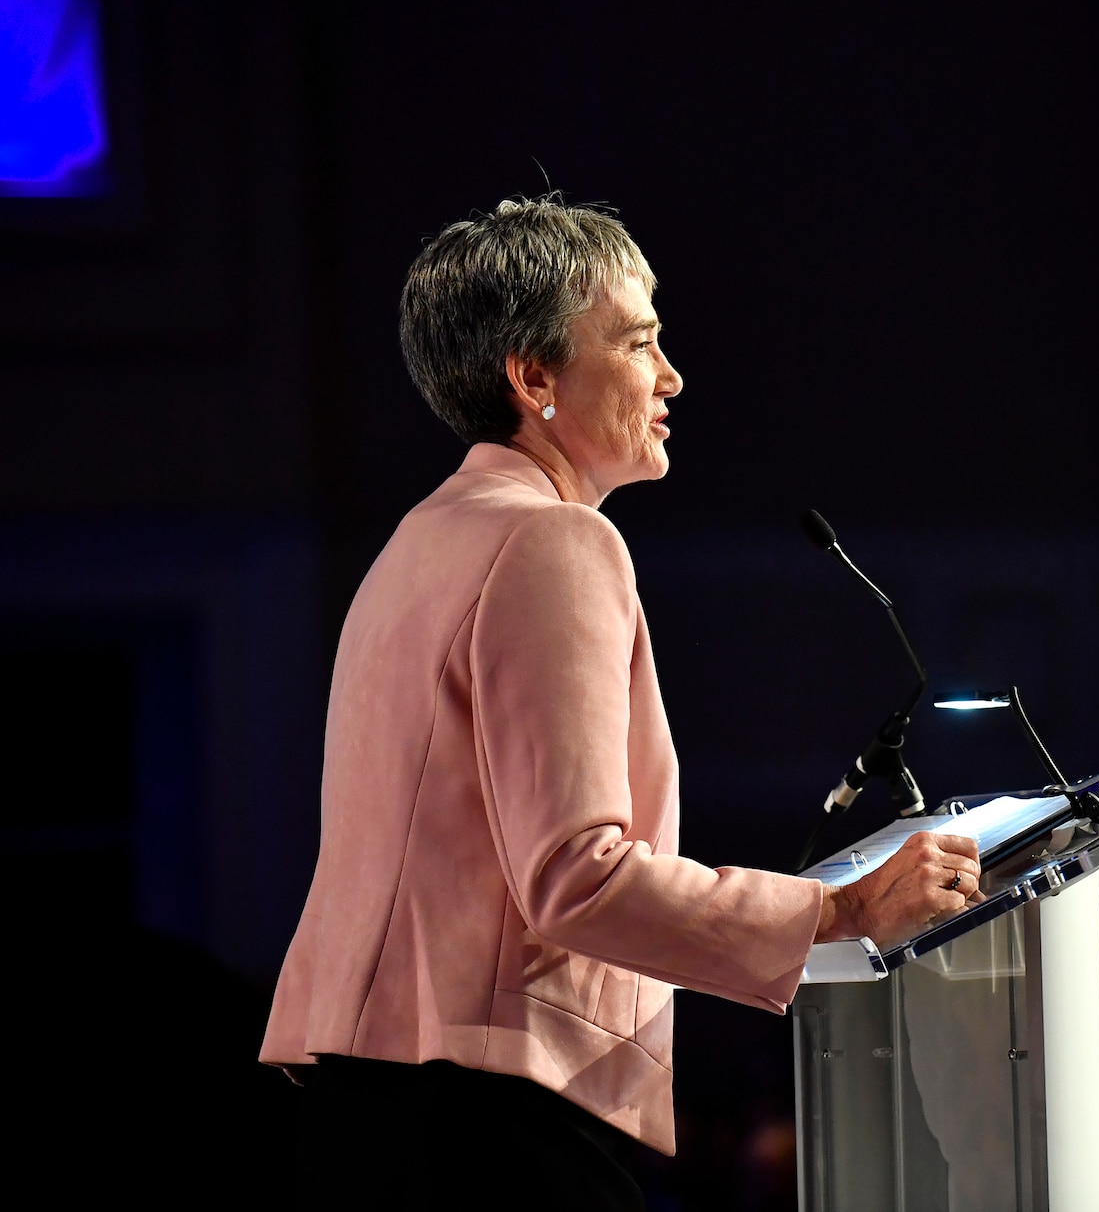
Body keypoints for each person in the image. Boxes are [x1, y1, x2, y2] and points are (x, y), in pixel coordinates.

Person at [261, 196, 980, 1209]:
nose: (671, 376)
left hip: (374, 1109)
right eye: (640, 342)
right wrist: (841, 909)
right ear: (533, 377)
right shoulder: (551, 542)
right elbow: (573, 877)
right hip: (484, 1123)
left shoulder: (419, 540)